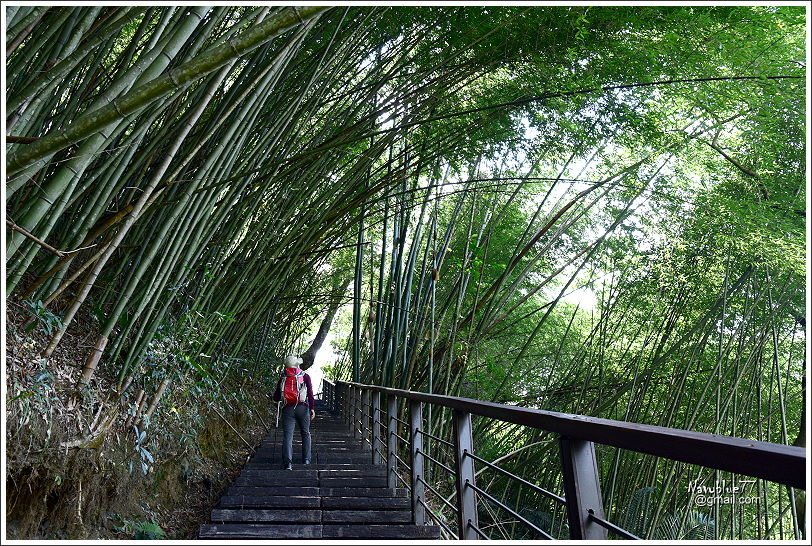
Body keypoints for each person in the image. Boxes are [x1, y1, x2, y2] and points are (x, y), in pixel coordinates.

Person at [272, 355, 315, 470]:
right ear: (297, 364)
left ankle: (288, 463)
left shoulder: (284, 376)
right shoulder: (305, 376)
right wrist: (312, 408)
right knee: (305, 433)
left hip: (287, 409)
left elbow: (276, 397)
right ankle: (306, 460)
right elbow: (310, 393)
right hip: (303, 408)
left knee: (288, 436)